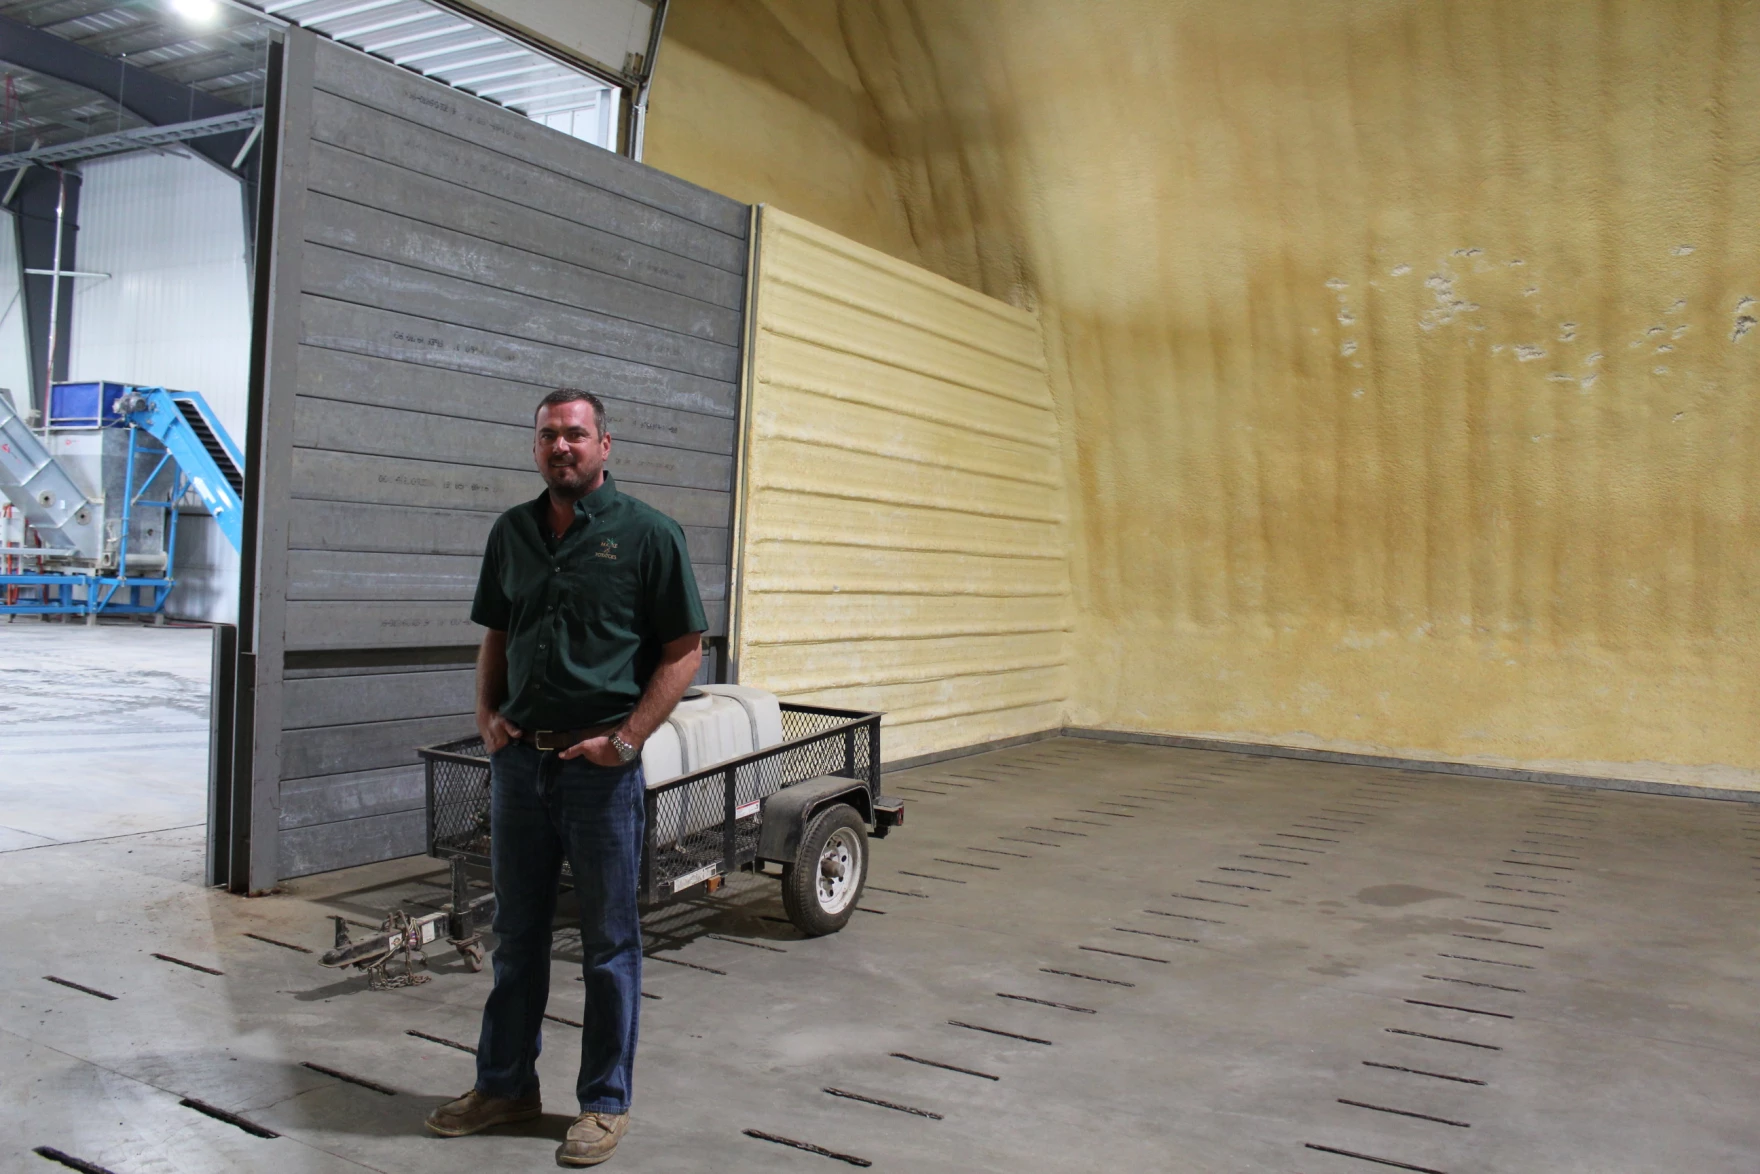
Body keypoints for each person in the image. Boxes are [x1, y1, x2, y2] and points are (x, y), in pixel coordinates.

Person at [425, 388, 706, 1167]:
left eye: (576, 435)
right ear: (536, 445)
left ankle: (604, 1103)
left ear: (604, 446)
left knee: (610, 941)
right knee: (516, 935)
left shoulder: (649, 536)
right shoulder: (512, 532)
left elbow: (685, 650)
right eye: (548, 435)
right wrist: (487, 716)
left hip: (600, 772)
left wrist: (627, 739)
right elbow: (497, 631)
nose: (561, 447)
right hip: (521, 766)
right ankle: (506, 1086)